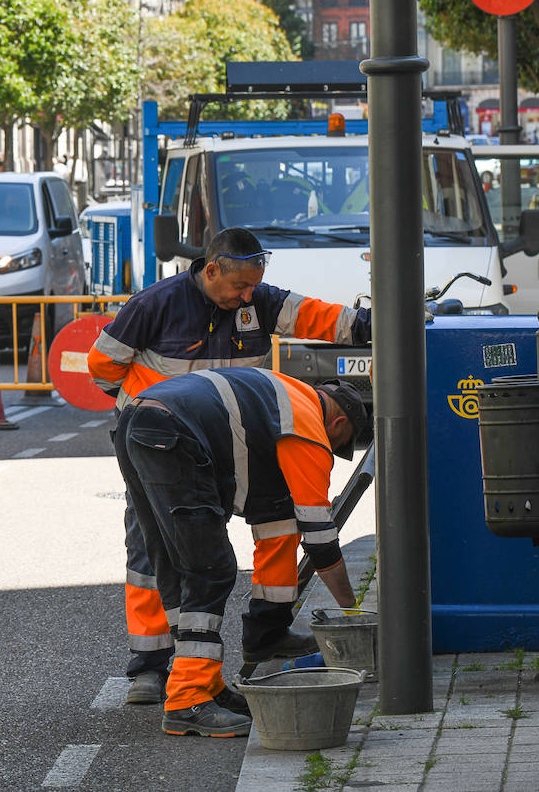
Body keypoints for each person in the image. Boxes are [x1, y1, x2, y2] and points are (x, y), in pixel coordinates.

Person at [86, 227, 372, 707]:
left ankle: (262, 632)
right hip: (164, 440)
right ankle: (151, 666)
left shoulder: (257, 300)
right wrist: (143, 404)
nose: (246, 298)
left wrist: (384, 320)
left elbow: (328, 319)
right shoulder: (155, 304)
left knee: (262, 526)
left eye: (253, 288)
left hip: (225, 443)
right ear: (210, 269)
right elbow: (101, 367)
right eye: (238, 287)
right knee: (153, 548)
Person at [117, 368, 367, 736]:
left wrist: (269, 628)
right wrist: (351, 613)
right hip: (172, 431)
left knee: (172, 561)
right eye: (339, 441)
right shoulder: (308, 426)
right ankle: (188, 698)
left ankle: (208, 683)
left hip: (138, 421)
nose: (331, 450)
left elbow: (275, 517)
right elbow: (319, 538)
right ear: (339, 421)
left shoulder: (285, 392)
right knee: (210, 569)